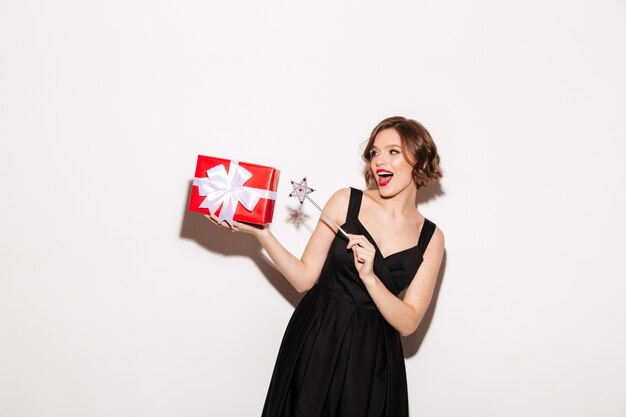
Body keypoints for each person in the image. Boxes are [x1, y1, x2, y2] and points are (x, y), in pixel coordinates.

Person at [205, 116, 445, 417]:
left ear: (419, 158)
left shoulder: (432, 238)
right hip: (320, 337)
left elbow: (408, 323)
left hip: (373, 357)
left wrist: (370, 277)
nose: (379, 160)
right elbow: (304, 279)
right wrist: (260, 233)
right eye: (374, 152)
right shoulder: (346, 202)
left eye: (393, 151)